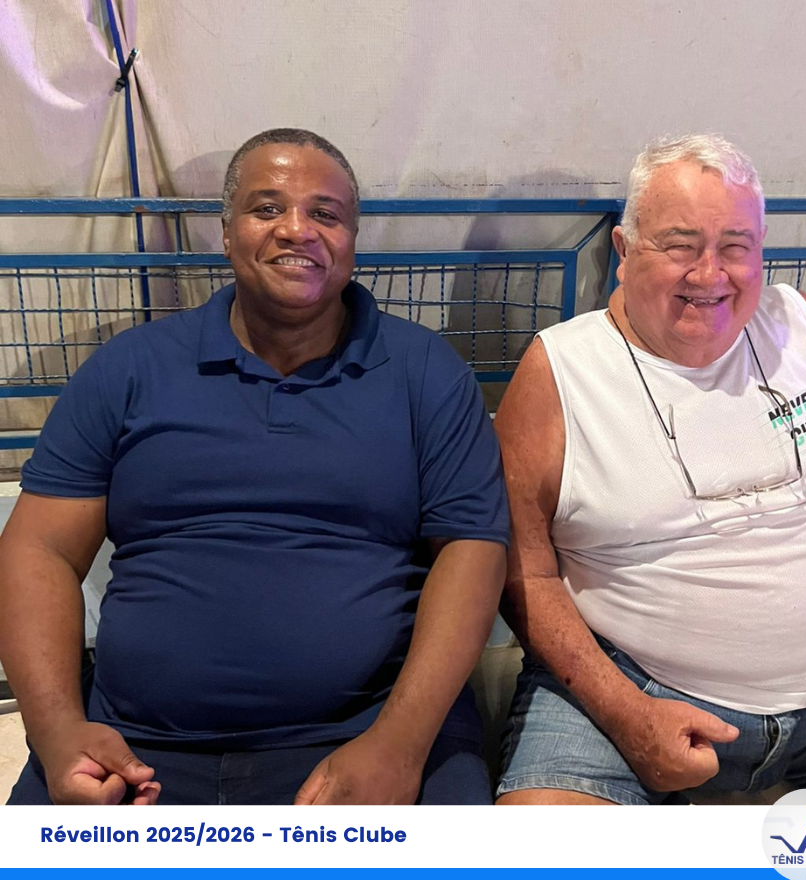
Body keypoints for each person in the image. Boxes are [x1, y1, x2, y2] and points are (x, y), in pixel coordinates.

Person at [0, 128, 508, 805]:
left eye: (325, 213)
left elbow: (472, 551)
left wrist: (400, 745)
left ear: (353, 239)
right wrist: (57, 731)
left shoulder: (427, 373)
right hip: (133, 745)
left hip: (369, 737)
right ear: (225, 231)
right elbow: (37, 549)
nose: (297, 229)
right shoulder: (128, 369)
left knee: (447, 877)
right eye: (267, 208)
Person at [494, 134, 806, 806]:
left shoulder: (802, 325)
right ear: (623, 251)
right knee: (541, 871)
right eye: (680, 245)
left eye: (735, 246)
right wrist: (624, 712)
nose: (710, 275)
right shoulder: (560, 369)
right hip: (621, 697)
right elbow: (519, 569)